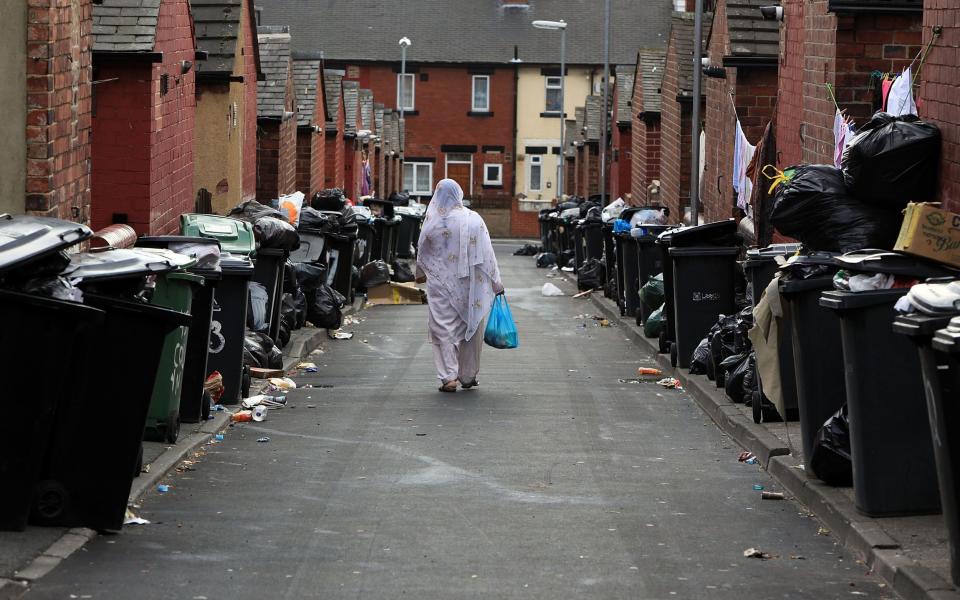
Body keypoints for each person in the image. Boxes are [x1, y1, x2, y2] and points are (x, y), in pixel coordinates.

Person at [415, 179, 504, 392]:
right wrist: (496, 281)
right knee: (470, 327)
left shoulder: (433, 221)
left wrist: (419, 274)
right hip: (471, 284)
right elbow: (488, 252)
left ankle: (449, 377)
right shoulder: (474, 219)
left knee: (443, 328)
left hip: (441, 284)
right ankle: (468, 375)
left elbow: (422, 250)